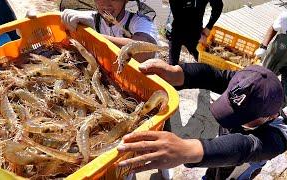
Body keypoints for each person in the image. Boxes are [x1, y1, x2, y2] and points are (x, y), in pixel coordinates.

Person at [116, 59, 286, 179]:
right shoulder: (246, 83)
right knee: (214, 169)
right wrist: (177, 72)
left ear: (270, 116)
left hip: (242, 164)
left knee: (234, 175)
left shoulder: (280, 134)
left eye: (241, 117)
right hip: (220, 154)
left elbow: (247, 147)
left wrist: (188, 150)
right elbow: (212, 75)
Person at [61, 0, 158, 62]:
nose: (106, 4)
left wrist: (93, 36)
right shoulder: (92, 19)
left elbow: (145, 51)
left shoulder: (140, 22)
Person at [168, 0, 223, 64]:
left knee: (204, 63)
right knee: (172, 66)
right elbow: (178, 14)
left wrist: (208, 27)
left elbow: (218, 6)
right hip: (176, 29)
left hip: (196, 32)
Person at [255, 11, 287, 100]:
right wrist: (263, 47)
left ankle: (276, 109)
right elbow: (273, 28)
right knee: (263, 74)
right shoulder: (285, 16)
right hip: (278, 51)